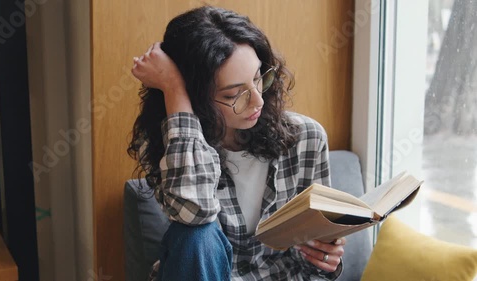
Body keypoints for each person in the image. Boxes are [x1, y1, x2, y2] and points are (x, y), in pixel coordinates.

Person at [128, 5, 346, 281]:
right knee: (194, 236)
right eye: (234, 94)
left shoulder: (306, 137)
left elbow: (317, 258)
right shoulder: (173, 145)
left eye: (258, 79)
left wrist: (326, 259)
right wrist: (173, 88)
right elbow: (192, 214)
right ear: (196, 98)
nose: (258, 100)